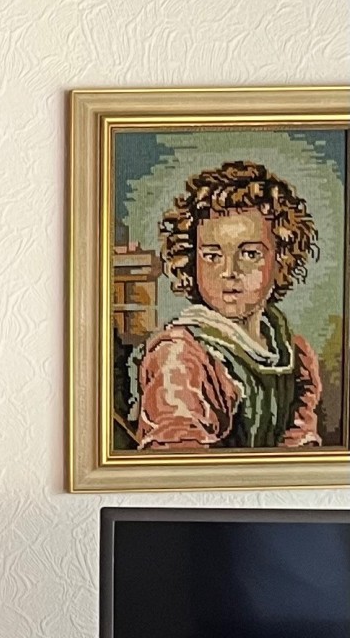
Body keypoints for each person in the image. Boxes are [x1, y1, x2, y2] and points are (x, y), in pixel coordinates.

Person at [135, 161, 324, 450]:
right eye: (212, 255)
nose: (229, 271)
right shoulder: (181, 355)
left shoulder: (293, 353)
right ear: (190, 260)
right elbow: (177, 459)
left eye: (249, 254)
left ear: (281, 259)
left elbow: (300, 447)